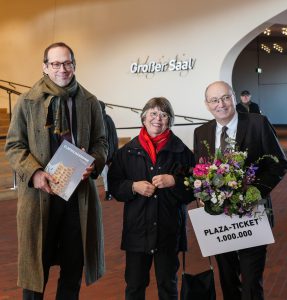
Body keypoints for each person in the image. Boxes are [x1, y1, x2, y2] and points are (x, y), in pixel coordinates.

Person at [5, 42, 108, 299]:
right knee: (35, 270)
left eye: (67, 63)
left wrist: (93, 162)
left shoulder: (90, 101)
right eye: (56, 63)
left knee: (73, 266)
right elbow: (14, 146)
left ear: (74, 65)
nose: (62, 69)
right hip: (39, 197)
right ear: (45, 67)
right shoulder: (27, 102)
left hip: (77, 197)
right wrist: (36, 173)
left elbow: (102, 143)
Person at [194, 81, 287, 300]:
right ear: (207, 105)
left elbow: (279, 164)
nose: (221, 104)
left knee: (251, 282)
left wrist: (255, 192)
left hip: (252, 215)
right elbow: (198, 171)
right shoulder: (202, 132)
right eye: (214, 100)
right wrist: (200, 195)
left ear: (234, 97)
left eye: (225, 97)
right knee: (227, 281)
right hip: (218, 221)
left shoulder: (258, 123)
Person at [108, 97, 195, 300]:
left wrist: (175, 181)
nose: (158, 118)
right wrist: (132, 186)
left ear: (170, 121)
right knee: (135, 285)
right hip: (138, 230)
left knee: (168, 285)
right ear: (144, 117)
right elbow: (113, 185)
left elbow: (194, 187)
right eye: (153, 113)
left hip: (168, 229)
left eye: (164, 115)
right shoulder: (126, 152)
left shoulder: (181, 151)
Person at [99, 100, 118, 200]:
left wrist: (111, 154)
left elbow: (112, 137)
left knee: (105, 172)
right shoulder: (94, 119)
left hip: (107, 152)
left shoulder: (107, 120)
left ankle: (108, 192)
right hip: (96, 152)